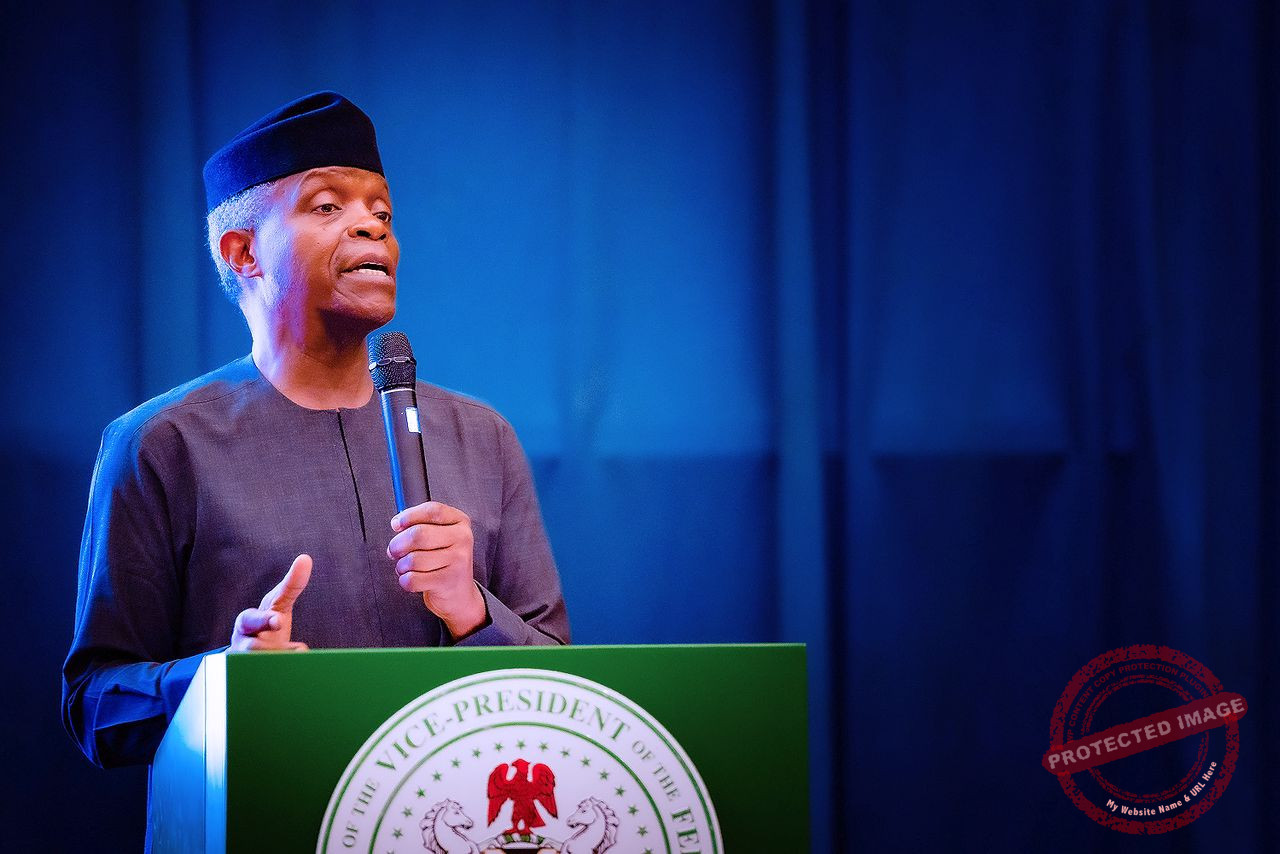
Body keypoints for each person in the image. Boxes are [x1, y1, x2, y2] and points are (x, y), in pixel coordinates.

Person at [61, 92, 570, 770]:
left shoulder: (482, 438)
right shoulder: (160, 444)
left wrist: (471, 610)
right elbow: (97, 709)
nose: (372, 228)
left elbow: (563, 691)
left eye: (381, 212)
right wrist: (224, 680)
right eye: (329, 206)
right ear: (243, 252)